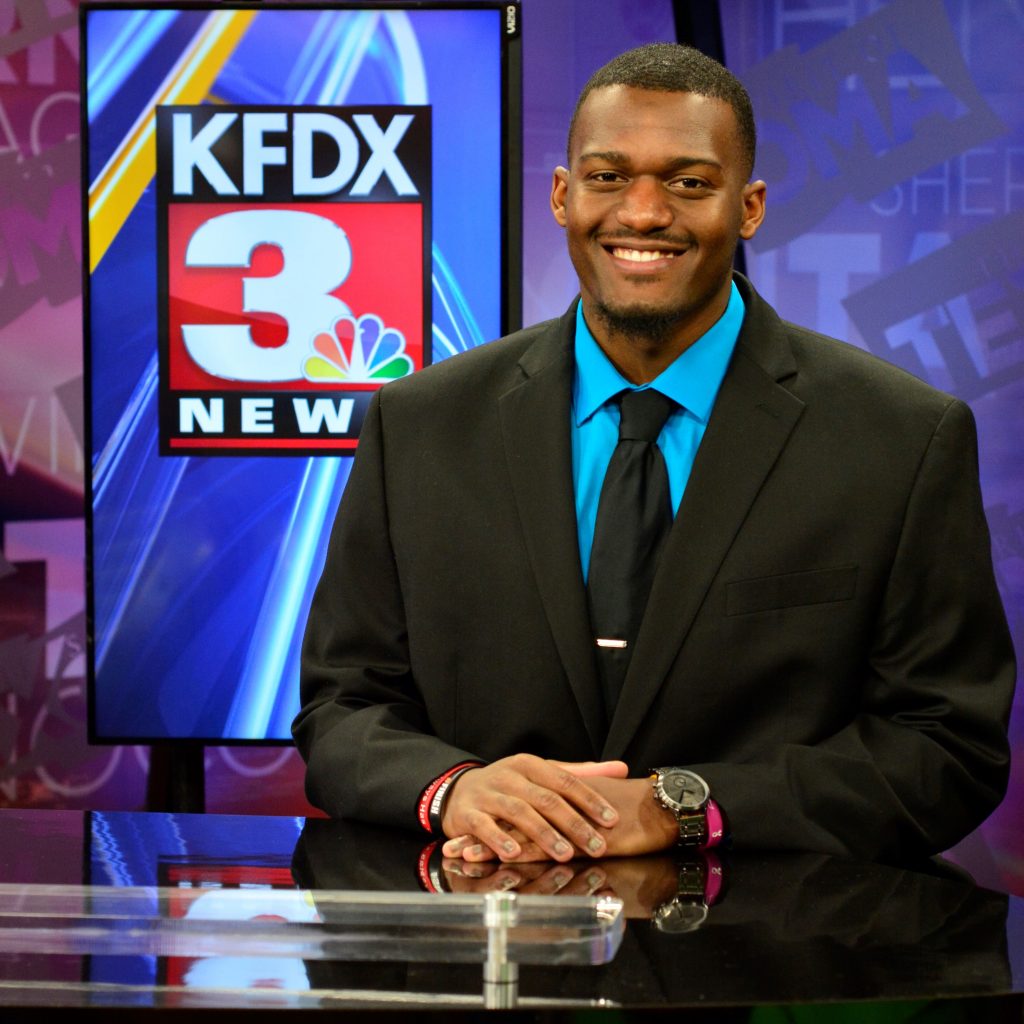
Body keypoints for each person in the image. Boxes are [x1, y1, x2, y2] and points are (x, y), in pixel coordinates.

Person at [293, 43, 1015, 866]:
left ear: (749, 208)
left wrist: (688, 807)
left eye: (688, 182)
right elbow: (341, 710)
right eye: (607, 177)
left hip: (771, 963)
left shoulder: (902, 438)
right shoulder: (417, 423)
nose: (641, 213)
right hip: (488, 962)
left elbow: (948, 748)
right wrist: (454, 787)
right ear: (563, 196)